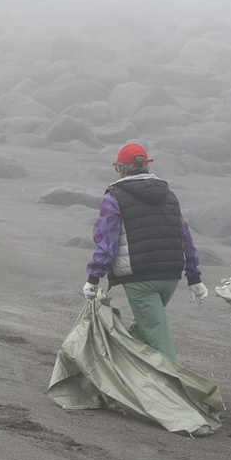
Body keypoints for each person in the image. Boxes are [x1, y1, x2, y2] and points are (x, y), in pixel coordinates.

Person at [83, 143, 208, 361]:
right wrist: (194, 276)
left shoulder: (115, 196)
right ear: (146, 167)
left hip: (140, 278)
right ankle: (120, 367)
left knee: (159, 339)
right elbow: (185, 236)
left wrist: (93, 278)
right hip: (170, 273)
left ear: (121, 169)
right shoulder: (169, 195)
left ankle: (176, 388)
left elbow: (107, 240)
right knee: (144, 329)